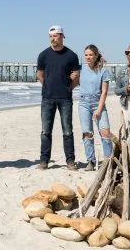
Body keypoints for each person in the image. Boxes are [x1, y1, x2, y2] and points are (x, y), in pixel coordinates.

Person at [37, 25, 80, 170]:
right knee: (45, 131)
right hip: (47, 98)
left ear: (62, 36)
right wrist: (48, 86)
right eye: (50, 36)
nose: (53, 38)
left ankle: (70, 161)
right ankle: (44, 161)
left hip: (65, 99)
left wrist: (69, 88)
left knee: (67, 131)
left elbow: (76, 78)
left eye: (55, 35)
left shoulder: (72, 55)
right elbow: (40, 75)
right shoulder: (43, 55)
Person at [78, 45, 112, 171]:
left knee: (105, 132)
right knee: (87, 133)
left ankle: (108, 160)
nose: (88, 57)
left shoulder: (103, 71)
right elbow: (73, 80)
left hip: (98, 103)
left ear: (96, 55)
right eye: (86, 55)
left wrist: (98, 109)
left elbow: (104, 92)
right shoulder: (81, 68)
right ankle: (90, 161)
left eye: (91, 55)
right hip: (84, 103)